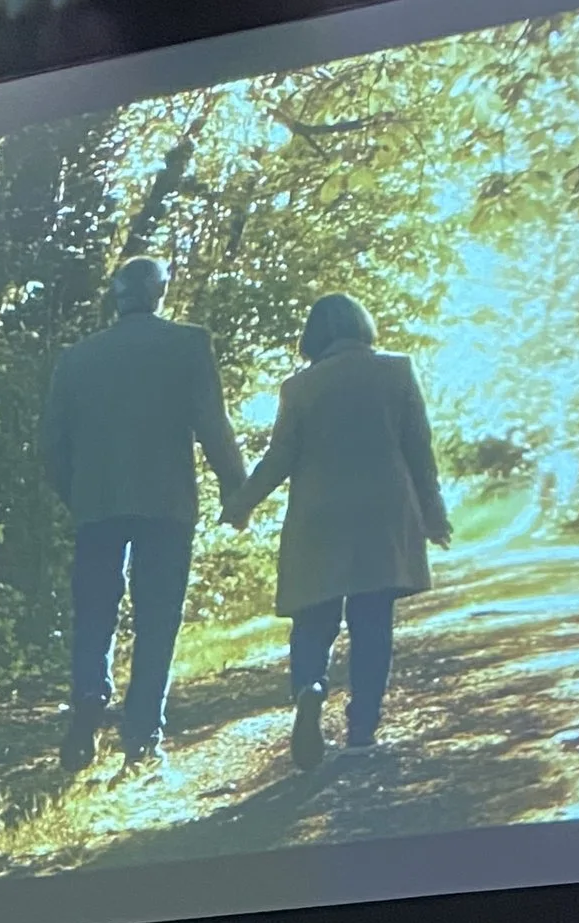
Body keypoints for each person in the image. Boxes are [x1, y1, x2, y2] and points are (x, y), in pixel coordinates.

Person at [41, 254, 246, 770]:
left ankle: (89, 700)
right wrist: (234, 489)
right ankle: (142, 736)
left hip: (97, 507)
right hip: (166, 504)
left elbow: (51, 446)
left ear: (117, 295)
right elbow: (212, 426)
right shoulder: (188, 344)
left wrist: (78, 495)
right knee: (157, 620)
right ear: (159, 292)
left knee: (93, 614)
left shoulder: (77, 358)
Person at [236, 292, 451, 768]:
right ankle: (361, 727)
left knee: (313, 619)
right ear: (363, 326)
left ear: (314, 336)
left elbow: (280, 458)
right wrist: (433, 516)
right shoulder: (396, 372)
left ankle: (310, 688)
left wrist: (242, 504)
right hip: (381, 515)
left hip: (319, 518)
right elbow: (420, 450)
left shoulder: (300, 388)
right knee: (372, 622)